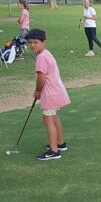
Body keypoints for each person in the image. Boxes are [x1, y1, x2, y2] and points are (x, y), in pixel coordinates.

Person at [29, 28, 71, 161]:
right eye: (30, 42)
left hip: (50, 93)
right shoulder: (46, 53)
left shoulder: (41, 57)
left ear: (44, 43)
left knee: (48, 120)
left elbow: (41, 78)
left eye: (36, 42)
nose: (32, 45)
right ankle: (60, 143)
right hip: (57, 90)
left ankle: (54, 151)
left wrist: (37, 91)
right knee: (53, 117)